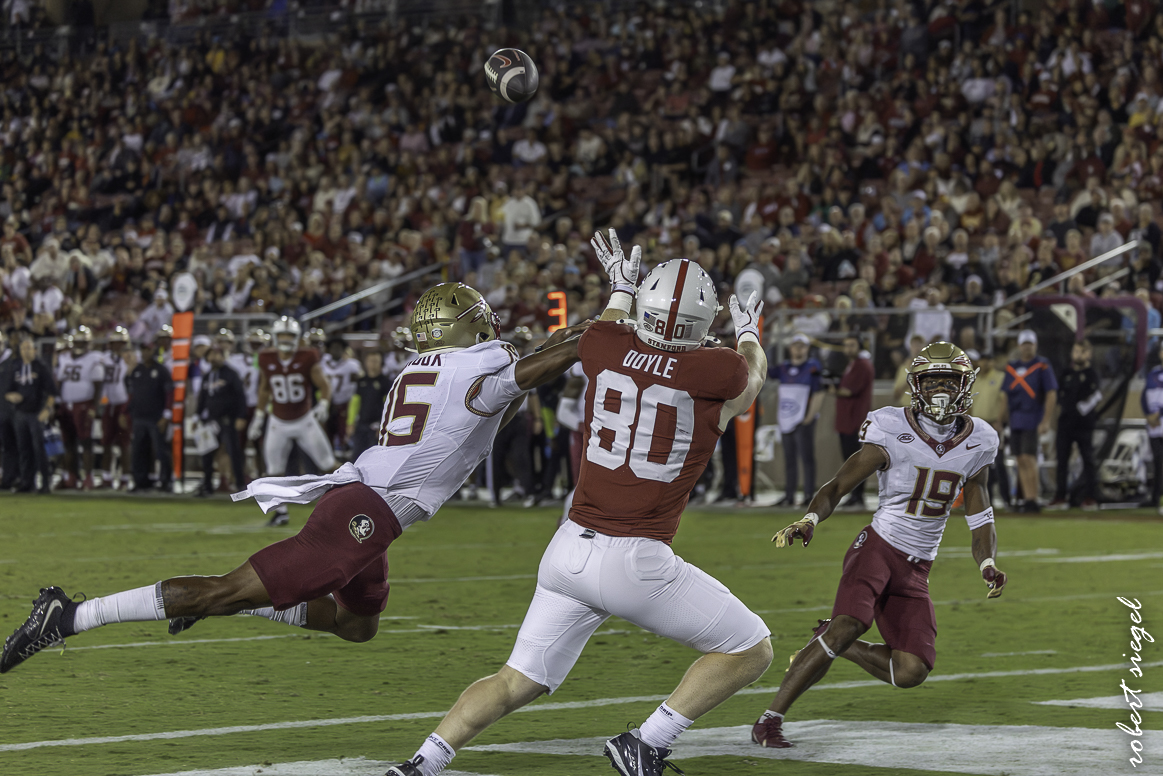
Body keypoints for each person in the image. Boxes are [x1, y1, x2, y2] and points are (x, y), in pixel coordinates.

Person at [1, 281, 589, 677]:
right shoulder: (478, 369)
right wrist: (602, 330)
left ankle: (221, 606)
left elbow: (514, 390)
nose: (492, 334)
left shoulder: (432, 368)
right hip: (364, 511)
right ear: (468, 329)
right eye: (481, 325)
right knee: (220, 590)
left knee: (357, 625)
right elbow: (533, 370)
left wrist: (593, 327)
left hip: (366, 504)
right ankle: (72, 615)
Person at [387, 232, 772, 776]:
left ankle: (423, 762)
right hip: (636, 559)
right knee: (751, 648)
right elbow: (749, 377)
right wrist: (752, 330)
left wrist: (619, 286)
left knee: (516, 679)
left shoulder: (603, 343)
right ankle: (648, 741)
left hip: (567, 548)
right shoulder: (717, 373)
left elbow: (611, 325)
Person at [753, 342, 1006, 748]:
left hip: (917, 566)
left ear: (966, 385)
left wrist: (987, 562)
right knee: (849, 624)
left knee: (911, 671)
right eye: (932, 381)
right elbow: (838, 485)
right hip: (878, 546)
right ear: (915, 385)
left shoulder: (981, 439)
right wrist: (810, 518)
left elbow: (979, 509)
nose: (940, 390)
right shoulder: (891, 427)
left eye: (949, 380)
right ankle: (770, 720)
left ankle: (830, 638)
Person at [247, 316, 336, 526]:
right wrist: (259, 417)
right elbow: (264, 389)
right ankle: (281, 513)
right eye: (282, 335)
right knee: (273, 470)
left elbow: (324, 385)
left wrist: (323, 404)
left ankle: (347, 504)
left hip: (304, 420)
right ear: (275, 337)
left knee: (329, 465)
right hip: (278, 422)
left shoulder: (307, 356)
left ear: (297, 338)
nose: (286, 339)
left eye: (290, 335)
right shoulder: (266, 358)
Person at [1001, 330, 1058, 513]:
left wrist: (1045, 420)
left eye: (1030, 343)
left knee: (1029, 457)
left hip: (1032, 416)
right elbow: (1005, 395)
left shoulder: (1042, 365)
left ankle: (1033, 497)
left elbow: (1051, 393)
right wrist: (1003, 419)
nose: (1027, 347)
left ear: (1035, 345)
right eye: (1024, 343)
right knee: (1020, 458)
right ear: (1019, 345)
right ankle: (1027, 498)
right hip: (1016, 418)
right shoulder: (1012, 367)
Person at [771, 332, 824, 506]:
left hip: (803, 419)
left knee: (806, 458)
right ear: (790, 348)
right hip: (787, 419)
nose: (798, 349)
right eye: (796, 345)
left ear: (807, 348)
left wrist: (809, 416)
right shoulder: (783, 368)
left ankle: (808, 494)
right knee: (789, 459)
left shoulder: (813, 367)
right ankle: (789, 495)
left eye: (802, 346)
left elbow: (819, 392)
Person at [1049, 340, 1101, 510]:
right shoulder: (1065, 373)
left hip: (1084, 425)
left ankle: (1090, 497)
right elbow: (1060, 397)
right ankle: (1060, 497)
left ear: (1089, 354)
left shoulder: (1092, 374)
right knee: (1062, 460)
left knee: (1088, 460)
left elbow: (1092, 395)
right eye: (1076, 351)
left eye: (1082, 351)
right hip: (1065, 423)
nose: (1078, 354)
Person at [54, 326, 105, 489]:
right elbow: (60, 382)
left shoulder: (94, 358)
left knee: (86, 442)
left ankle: (88, 477)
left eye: (82, 342)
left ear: (88, 343)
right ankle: (71, 476)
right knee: (68, 443)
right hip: (66, 404)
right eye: (77, 341)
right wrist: (57, 403)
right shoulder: (65, 358)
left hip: (83, 404)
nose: (79, 344)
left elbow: (98, 385)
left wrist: (94, 406)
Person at [4, 334, 56, 493]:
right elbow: (7, 391)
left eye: (28, 348)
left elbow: (52, 391)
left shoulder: (40, 367)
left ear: (35, 350)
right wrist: (12, 396)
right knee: (24, 449)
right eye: (23, 348)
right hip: (20, 413)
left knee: (39, 449)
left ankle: (45, 483)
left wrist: (47, 410)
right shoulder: (16, 367)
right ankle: (28, 482)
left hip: (36, 413)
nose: (26, 351)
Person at [195, 346, 248, 496]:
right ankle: (207, 485)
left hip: (227, 420)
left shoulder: (230, 374)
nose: (215, 357)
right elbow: (202, 399)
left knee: (233, 452)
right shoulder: (207, 376)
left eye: (218, 354)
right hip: (211, 420)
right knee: (206, 453)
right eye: (212, 354)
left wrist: (241, 416)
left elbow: (240, 396)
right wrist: (196, 416)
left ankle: (239, 484)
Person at [967, 350, 1012, 508]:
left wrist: (1000, 421)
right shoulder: (975, 380)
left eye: (988, 360)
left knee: (998, 463)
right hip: (978, 427)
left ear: (993, 362)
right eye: (982, 360)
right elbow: (970, 406)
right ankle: (988, 500)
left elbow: (1004, 401)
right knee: (981, 466)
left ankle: (1007, 500)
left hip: (993, 425)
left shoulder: (999, 377)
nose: (985, 363)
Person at [834, 334, 874, 509]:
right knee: (850, 460)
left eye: (852, 345)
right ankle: (854, 495)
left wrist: (831, 388)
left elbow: (849, 391)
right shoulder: (853, 364)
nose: (848, 349)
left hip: (854, 419)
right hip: (847, 419)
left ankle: (858, 496)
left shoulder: (862, 365)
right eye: (846, 345)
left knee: (855, 460)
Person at [125, 353, 173, 492]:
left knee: (160, 450)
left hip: (156, 417)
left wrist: (166, 414)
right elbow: (131, 392)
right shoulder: (137, 370)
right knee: (138, 450)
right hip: (139, 416)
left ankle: (166, 481)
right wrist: (126, 411)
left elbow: (169, 393)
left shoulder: (162, 370)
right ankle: (141, 481)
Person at [99, 326, 133, 490]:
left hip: (124, 403)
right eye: (115, 343)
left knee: (124, 443)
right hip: (108, 405)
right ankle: (106, 477)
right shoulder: (103, 358)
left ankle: (125, 478)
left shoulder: (132, 359)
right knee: (106, 442)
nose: (119, 346)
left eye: (122, 343)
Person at [321, 337, 363, 454]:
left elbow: (361, 380)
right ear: (328, 350)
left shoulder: (352, 365)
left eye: (339, 348)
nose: (336, 351)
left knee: (344, 433)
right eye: (333, 348)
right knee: (326, 433)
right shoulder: (322, 363)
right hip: (327, 403)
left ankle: (344, 455)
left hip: (345, 403)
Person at [346, 349, 390, 459]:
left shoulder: (386, 383)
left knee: (373, 456)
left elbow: (388, 406)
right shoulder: (361, 382)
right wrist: (350, 422)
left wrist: (383, 425)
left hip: (376, 426)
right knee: (357, 455)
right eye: (370, 361)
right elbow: (355, 403)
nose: (372, 364)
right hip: (361, 424)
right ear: (365, 363)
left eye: (375, 361)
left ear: (380, 363)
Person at [1142, 341, 1163, 512]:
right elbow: (1144, 396)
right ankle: (1155, 498)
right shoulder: (1153, 373)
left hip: (1159, 420)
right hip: (1155, 426)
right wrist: (1148, 414)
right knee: (1157, 462)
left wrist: (1159, 413)